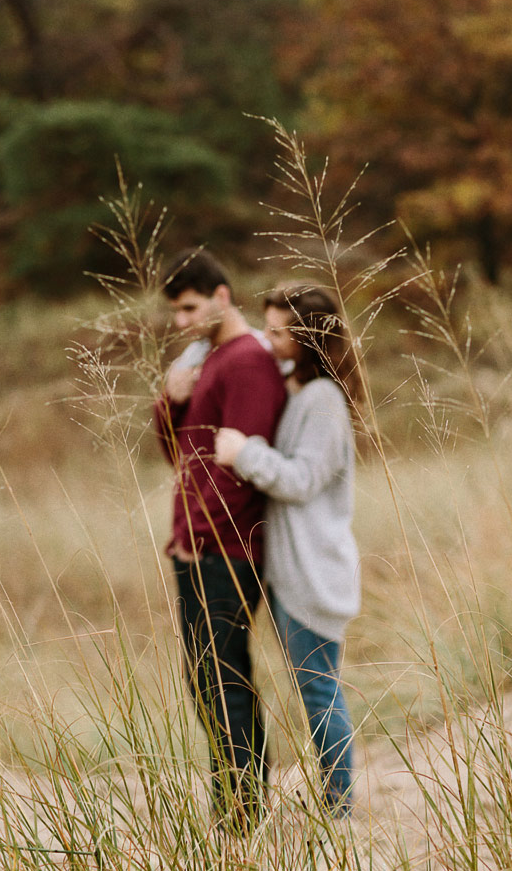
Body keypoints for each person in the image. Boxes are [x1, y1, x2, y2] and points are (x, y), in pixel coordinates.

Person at [214, 285, 362, 816]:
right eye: (268, 327)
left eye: (279, 332)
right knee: (315, 691)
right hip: (295, 574)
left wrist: (244, 452)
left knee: (320, 694)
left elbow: (300, 480)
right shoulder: (297, 386)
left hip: (315, 576)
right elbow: (244, 341)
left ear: (305, 339)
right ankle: (334, 799)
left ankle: (340, 808)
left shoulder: (323, 401)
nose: (269, 339)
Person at [153, 248, 287, 828]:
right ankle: (234, 807)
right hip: (198, 545)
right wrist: (170, 402)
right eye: (176, 312)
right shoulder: (209, 360)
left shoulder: (248, 361)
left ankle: (240, 816)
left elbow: (239, 469)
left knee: (222, 676)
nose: (180, 322)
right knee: (205, 675)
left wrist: (201, 538)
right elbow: (182, 456)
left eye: (188, 308)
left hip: (226, 548)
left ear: (222, 296)